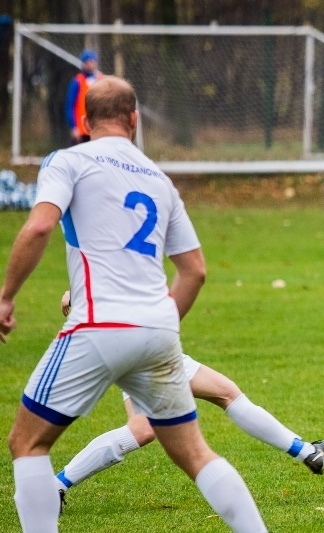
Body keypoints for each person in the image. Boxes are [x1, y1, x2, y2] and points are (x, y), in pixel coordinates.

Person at [0, 76, 268, 532]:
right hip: (158, 329)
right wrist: (159, 324)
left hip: (99, 323)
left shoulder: (69, 160)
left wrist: (6, 297)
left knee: (27, 444)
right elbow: (195, 270)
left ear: (84, 121)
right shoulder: (159, 180)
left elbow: (40, 227)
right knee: (197, 454)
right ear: (134, 120)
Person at [55, 290, 324, 510]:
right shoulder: (129, 230)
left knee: (222, 394)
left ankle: (307, 451)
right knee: (148, 425)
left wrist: (76, 292)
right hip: (143, 340)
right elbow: (189, 272)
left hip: (126, 341)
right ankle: (56, 485)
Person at [65, 49, 102, 145]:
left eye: (92, 61)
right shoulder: (77, 81)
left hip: (97, 129)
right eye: (87, 62)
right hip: (81, 130)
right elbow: (70, 105)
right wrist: (74, 127)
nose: (90, 64)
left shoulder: (100, 79)